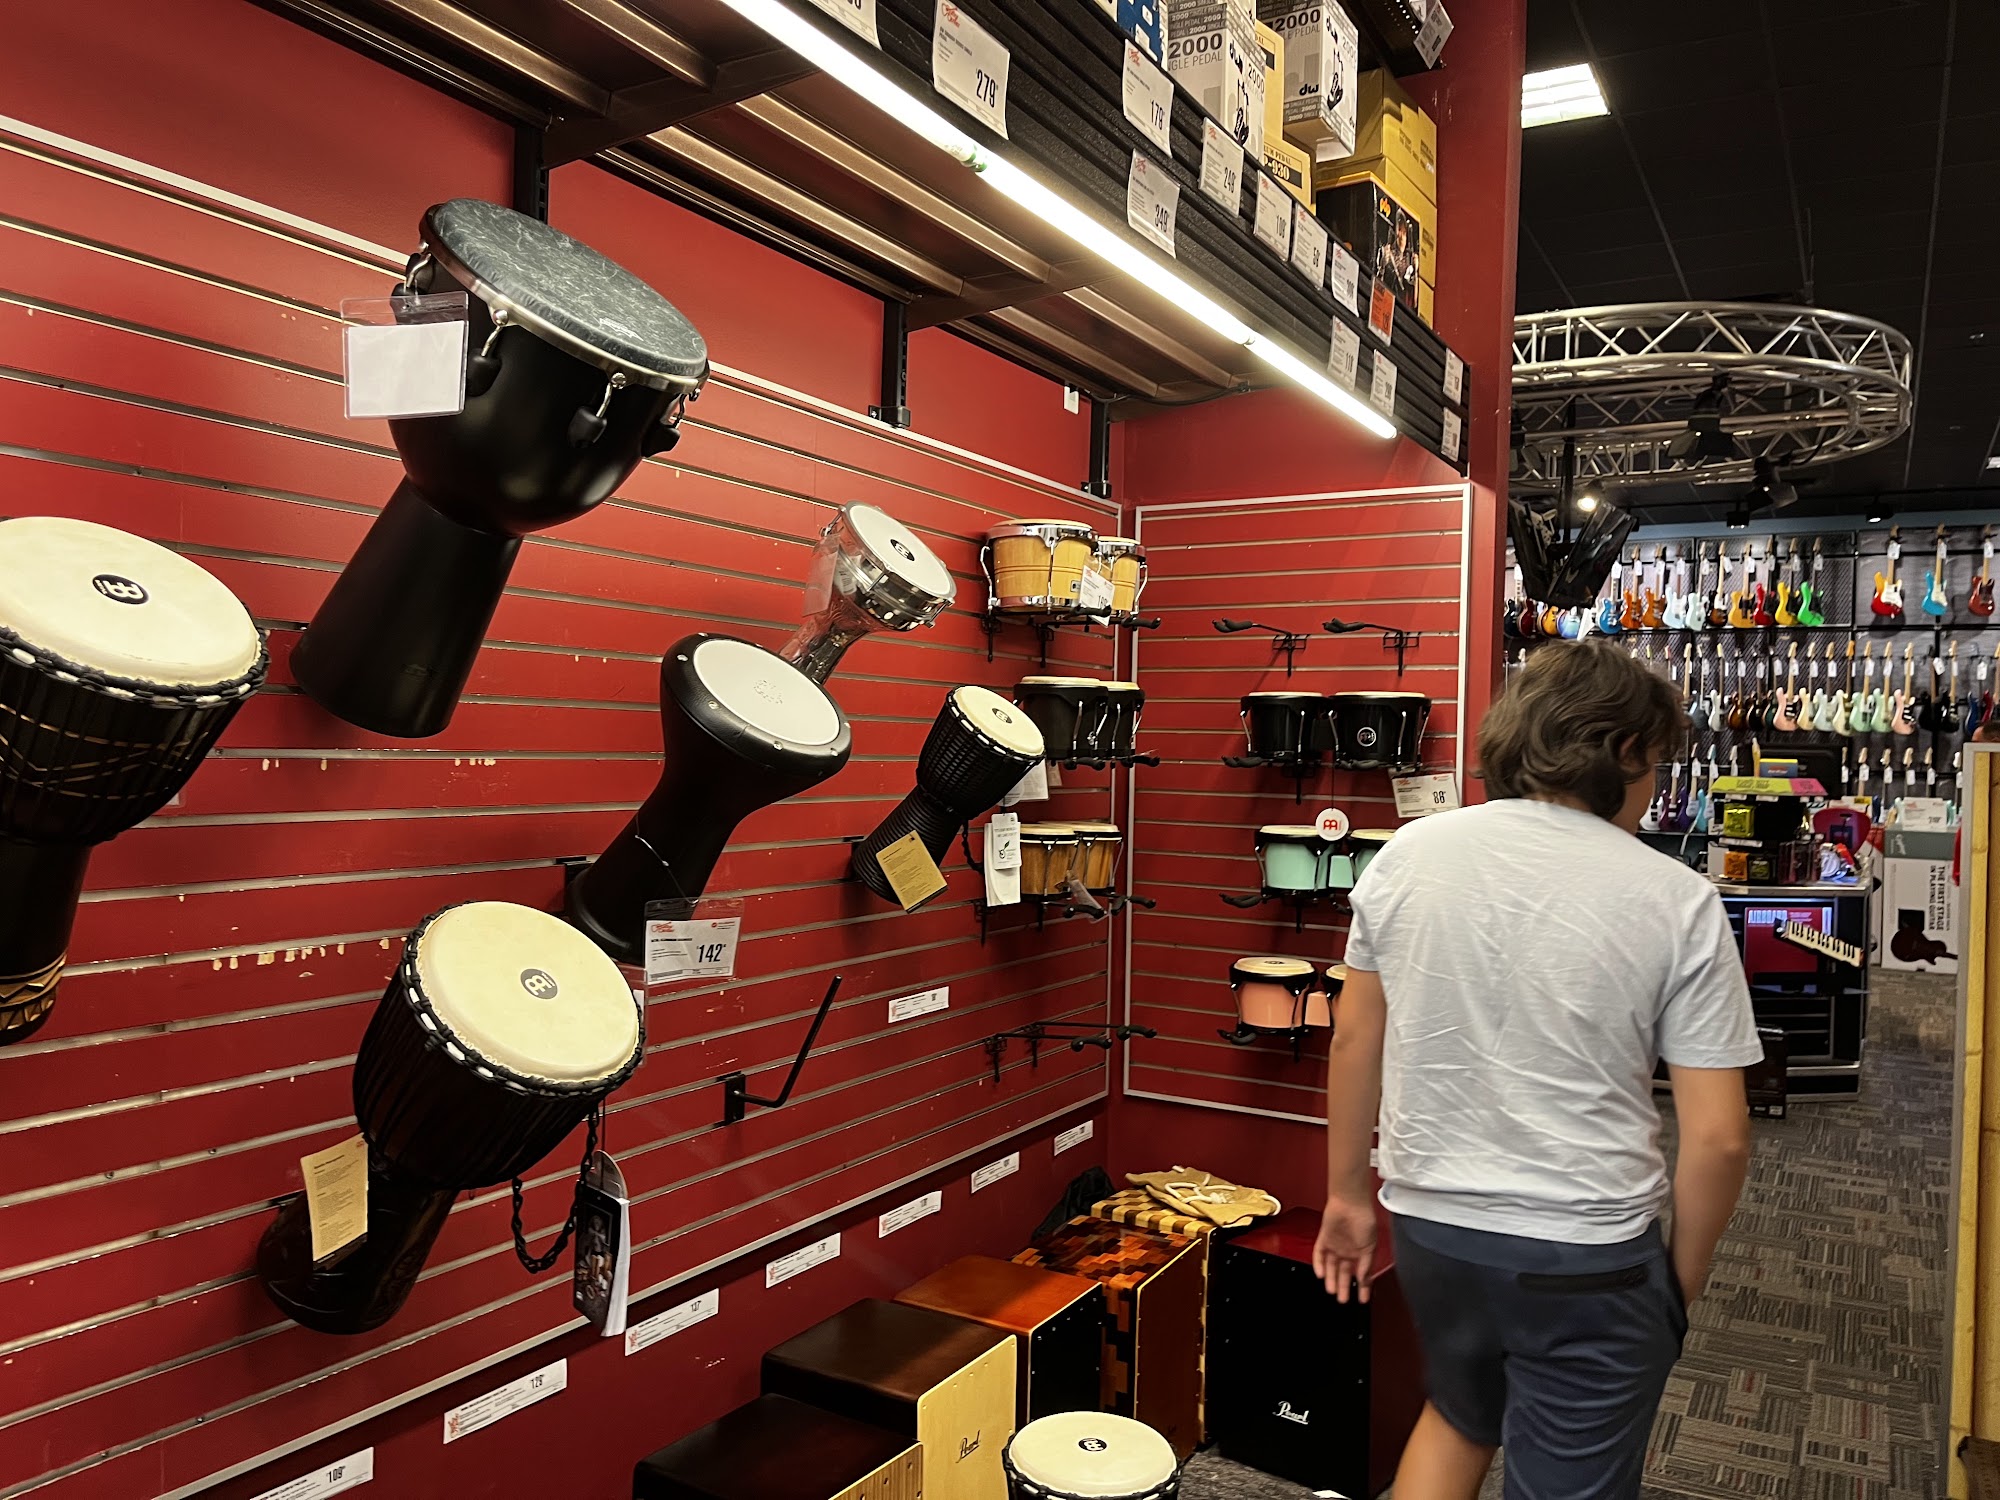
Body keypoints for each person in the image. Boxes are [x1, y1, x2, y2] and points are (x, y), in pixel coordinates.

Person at [1314, 640, 1759, 1500]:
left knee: (1458, 1416)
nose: (1654, 785)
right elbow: (1719, 1138)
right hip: (1586, 1250)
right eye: (1655, 762)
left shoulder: (1408, 854)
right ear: (1623, 751)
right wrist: (1678, 1290)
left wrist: (1345, 1198)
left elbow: (1354, 1039)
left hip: (1432, 1226)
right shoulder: (1676, 899)